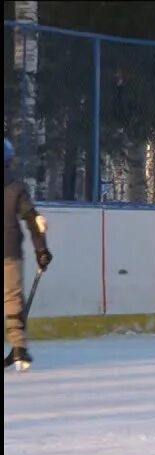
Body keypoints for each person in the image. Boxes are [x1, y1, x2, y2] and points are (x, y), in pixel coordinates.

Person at [4, 138, 51, 371]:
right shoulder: (17, 187)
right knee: (13, 300)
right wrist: (41, 250)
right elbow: (33, 221)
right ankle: (19, 349)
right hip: (10, 251)